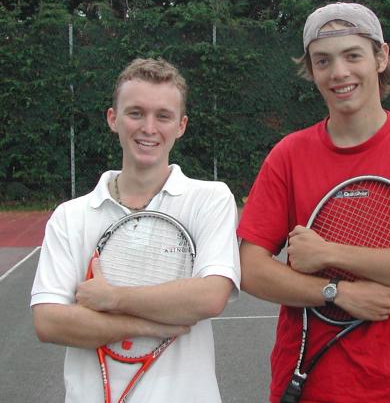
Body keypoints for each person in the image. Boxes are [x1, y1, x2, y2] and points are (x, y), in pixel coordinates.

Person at [237, 2, 390, 403]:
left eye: (353, 55)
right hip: (306, 385)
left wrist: (330, 253)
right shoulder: (288, 155)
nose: (339, 73)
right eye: (323, 61)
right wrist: (336, 293)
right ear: (311, 71)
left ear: (381, 57)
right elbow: (249, 269)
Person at [31, 57, 241, 402]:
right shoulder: (70, 216)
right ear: (113, 119)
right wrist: (146, 325)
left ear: (181, 125)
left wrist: (112, 299)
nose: (148, 127)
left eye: (163, 116)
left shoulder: (211, 199)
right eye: (135, 113)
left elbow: (210, 296)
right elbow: (49, 322)